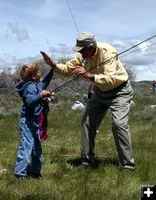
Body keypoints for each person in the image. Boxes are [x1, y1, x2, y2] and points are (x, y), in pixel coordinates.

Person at [40, 32, 135, 171]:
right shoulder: (82, 53)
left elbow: (110, 79)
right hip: (100, 91)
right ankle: (86, 161)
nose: (80, 54)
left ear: (91, 47)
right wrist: (53, 65)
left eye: (82, 50)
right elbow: (67, 69)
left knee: (119, 124)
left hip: (119, 91)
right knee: (87, 122)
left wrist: (88, 75)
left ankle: (128, 165)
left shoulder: (108, 52)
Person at [14, 63, 54, 179]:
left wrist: (53, 68)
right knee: (26, 146)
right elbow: (31, 102)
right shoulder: (30, 87)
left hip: (34, 121)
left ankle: (35, 171)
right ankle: (20, 173)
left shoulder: (35, 85)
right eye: (38, 72)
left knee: (36, 147)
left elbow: (45, 82)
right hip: (27, 121)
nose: (40, 73)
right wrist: (41, 95)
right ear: (33, 76)